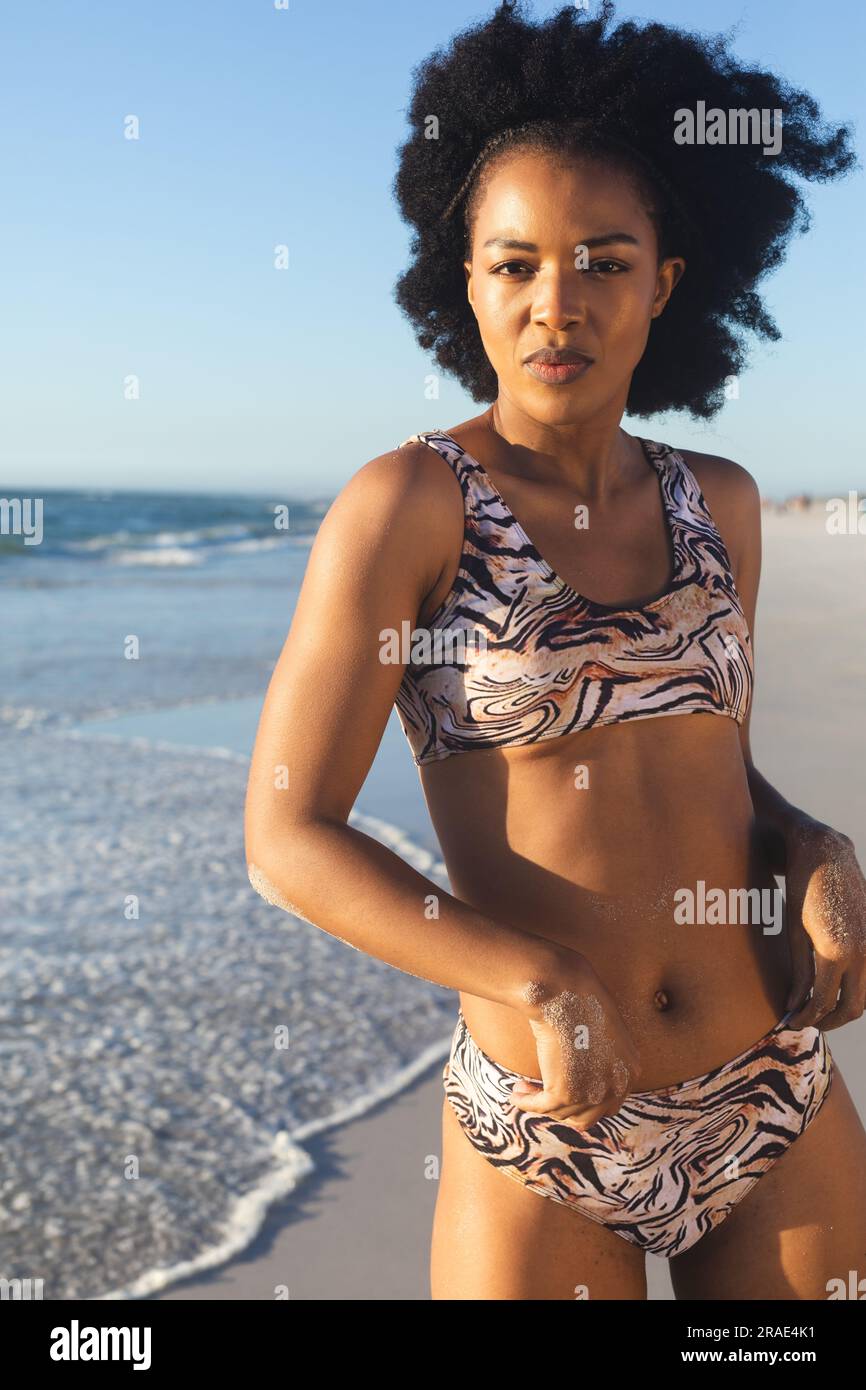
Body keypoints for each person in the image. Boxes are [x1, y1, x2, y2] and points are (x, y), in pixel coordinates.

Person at [245, 1, 866, 1299]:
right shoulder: (408, 506)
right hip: (543, 1128)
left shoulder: (721, 501)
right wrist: (539, 977)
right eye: (515, 263)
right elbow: (287, 833)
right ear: (462, 280)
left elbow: (709, 773)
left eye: (601, 259)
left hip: (772, 1099)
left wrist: (809, 842)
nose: (556, 302)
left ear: (664, 282)